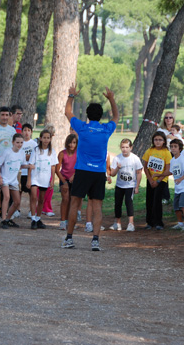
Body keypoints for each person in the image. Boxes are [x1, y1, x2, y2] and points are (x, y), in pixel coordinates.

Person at [62, 84, 118, 251]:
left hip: (83, 172)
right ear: (101, 116)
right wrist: (112, 99)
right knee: (97, 206)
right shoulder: (106, 129)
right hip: (99, 173)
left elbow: (67, 112)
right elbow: (116, 117)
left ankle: (69, 238)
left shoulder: (82, 128)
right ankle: (95, 240)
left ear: (87, 115)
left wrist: (71, 96)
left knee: (74, 203)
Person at [27, 130, 58, 230]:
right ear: (40, 138)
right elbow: (31, 165)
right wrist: (29, 179)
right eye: (44, 137)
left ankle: (38, 218)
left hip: (45, 178)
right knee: (33, 197)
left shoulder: (52, 151)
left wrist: (52, 180)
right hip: (35, 177)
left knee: (41, 199)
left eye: (48, 138)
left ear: (50, 139)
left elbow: (53, 167)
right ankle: (33, 218)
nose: (46, 140)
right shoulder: (36, 150)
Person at [109, 138, 142, 232]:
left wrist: (137, 186)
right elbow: (113, 173)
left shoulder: (135, 158)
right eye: (123, 147)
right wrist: (117, 168)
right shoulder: (117, 158)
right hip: (120, 185)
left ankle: (131, 223)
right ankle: (117, 223)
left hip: (130, 185)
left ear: (131, 148)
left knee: (129, 202)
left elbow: (139, 172)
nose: (124, 149)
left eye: (127, 147)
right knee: (118, 203)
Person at [0, 134, 29, 228]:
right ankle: (3, 219)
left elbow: (22, 165)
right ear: (13, 142)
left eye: (21, 142)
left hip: (14, 180)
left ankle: (8, 219)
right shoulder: (7, 152)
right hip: (5, 178)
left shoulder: (22, 153)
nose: (19, 144)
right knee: (6, 197)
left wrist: (30, 166)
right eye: (17, 142)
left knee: (17, 202)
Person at [142, 131, 172, 230]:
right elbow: (145, 167)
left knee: (157, 201)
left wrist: (158, 180)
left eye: (160, 140)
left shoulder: (166, 153)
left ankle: (159, 222)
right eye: (156, 140)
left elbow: (167, 169)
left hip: (161, 180)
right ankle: (149, 222)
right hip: (151, 180)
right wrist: (150, 179)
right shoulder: (149, 151)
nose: (158, 142)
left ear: (164, 141)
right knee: (149, 200)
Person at [168, 139, 184, 231]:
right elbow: (171, 172)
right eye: (171, 147)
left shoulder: (183, 159)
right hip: (178, 187)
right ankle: (180, 223)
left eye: (175, 147)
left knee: (183, 205)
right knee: (176, 206)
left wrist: (180, 179)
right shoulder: (172, 160)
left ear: (180, 148)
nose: (173, 149)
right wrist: (160, 175)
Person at [56, 134, 78, 230]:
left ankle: (70, 221)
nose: (72, 145)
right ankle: (62, 221)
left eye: (74, 143)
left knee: (73, 200)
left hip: (75, 179)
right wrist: (63, 182)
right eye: (70, 142)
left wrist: (74, 175)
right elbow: (57, 169)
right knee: (65, 199)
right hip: (64, 178)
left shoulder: (78, 153)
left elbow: (79, 167)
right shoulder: (62, 154)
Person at [20, 123, 37, 219]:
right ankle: (17, 210)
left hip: (30, 172)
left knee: (32, 193)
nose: (26, 132)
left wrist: (27, 157)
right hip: (21, 171)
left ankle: (32, 211)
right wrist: (26, 157)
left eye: (28, 130)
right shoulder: (19, 142)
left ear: (31, 132)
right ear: (22, 132)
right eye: (25, 130)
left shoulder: (34, 144)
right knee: (19, 191)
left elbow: (34, 157)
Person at [41, 123, 57, 217]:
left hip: (48, 171)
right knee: (40, 192)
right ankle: (40, 208)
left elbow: (53, 165)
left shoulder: (52, 150)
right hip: (40, 172)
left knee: (49, 191)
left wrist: (53, 178)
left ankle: (47, 208)